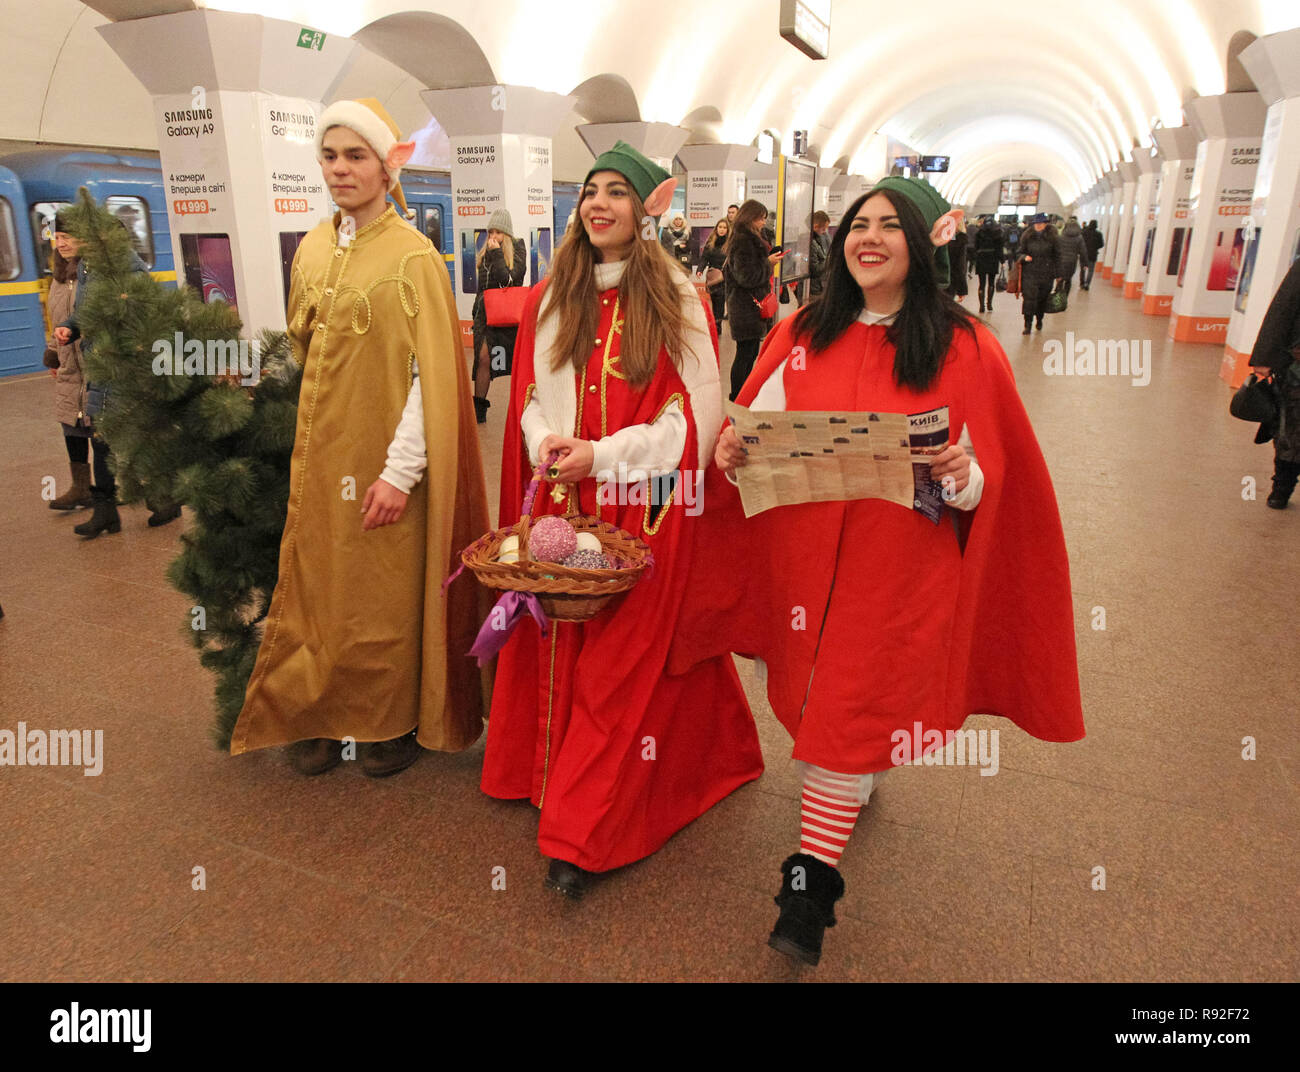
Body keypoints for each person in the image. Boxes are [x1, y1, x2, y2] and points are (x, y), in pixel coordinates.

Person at [667, 177, 1084, 967]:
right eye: (860, 224)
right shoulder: (800, 332)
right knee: (828, 705)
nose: (871, 238)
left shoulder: (966, 347)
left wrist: (962, 472)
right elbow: (746, 438)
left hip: (897, 572)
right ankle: (854, 776)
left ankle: (807, 888)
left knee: (847, 708)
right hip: (803, 565)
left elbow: (988, 487)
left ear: (921, 246)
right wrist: (729, 452)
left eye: (892, 227)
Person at [481, 140, 763, 899]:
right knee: (566, 639)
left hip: (648, 509)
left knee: (620, 660)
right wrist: (549, 446)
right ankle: (569, 771)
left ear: (645, 208)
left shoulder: (676, 297)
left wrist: (603, 457)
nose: (599, 204)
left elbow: (693, 420)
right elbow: (533, 398)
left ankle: (583, 833)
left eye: (616, 192)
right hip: (566, 497)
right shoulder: (553, 295)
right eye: (589, 192)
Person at [231, 97, 491, 777]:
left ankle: (385, 722)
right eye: (330, 155)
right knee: (321, 586)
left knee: (381, 593)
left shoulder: (414, 259)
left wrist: (401, 471)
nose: (340, 169)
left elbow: (427, 379)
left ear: (386, 167)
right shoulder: (314, 247)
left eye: (356, 156)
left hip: (383, 459)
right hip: (320, 458)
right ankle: (317, 710)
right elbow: (303, 347)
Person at [52, 216, 160, 537]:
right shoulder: (89, 269)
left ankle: (163, 497)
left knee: (133, 438)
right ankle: (107, 511)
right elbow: (87, 310)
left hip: (123, 365)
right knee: (102, 441)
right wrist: (70, 328)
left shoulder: (130, 269)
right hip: (99, 363)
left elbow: (144, 315)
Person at [44, 229, 93, 511]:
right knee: (70, 424)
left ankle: (114, 488)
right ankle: (81, 487)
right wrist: (53, 355)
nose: (60, 243)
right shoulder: (59, 278)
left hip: (92, 362)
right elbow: (58, 319)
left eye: (68, 236)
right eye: (57, 236)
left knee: (100, 429)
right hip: (69, 363)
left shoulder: (92, 274)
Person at [1248, 257, 1300, 509]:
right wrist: (1264, 358)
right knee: (1291, 430)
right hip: (1297, 368)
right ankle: (1282, 486)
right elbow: (1282, 310)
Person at [470, 209, 527, 423]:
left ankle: (522, 407)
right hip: (486, 317)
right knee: (483, 359)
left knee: (515, 363)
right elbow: (482, 288)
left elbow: (509, 281)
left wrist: (496, 255)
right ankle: (479, 408)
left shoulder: (518, 250)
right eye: (491, 232)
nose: (493, 237)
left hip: (510, 318)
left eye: (499, 232)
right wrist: (476, 312)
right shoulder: (485, 253)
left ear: (508, 234)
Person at [724, 199, 784, 400]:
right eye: (761, 219)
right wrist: (768, 263)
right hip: (745, 306)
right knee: (744, 354)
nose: (763, 223)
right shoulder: (742, 240)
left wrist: (768, 258)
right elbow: (746, 276)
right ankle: (737, 396)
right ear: (751, 217)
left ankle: (744, 394)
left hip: (751, 306)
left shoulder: (751, 237)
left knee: (750, 353)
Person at [1017, 213, 1059, 334]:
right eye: (1036, 223)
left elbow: (1058, 255)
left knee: (1042, 299)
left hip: (1046, 273)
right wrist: (1024, 257)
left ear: (1046, 224)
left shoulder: (1053, 238)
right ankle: (1027, 324)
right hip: (1030, 272)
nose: (1038, 226)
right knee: (1029, 299)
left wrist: (1058, 274)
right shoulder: (1027, 236)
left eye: (1040, 223)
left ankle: (1039, 319)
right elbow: (1019, 252)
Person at [699, 217, 730, 325]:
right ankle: (716, 322)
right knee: (714, 300)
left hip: (725, 277)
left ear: (728, 230)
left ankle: (718, 324)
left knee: (720, 301)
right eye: (720, 227)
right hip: (713, 277)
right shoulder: (710, 243)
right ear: (716, 228)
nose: (722, 229)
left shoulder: (730, 244)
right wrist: (700, 270)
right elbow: (704, 258)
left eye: (724, 227)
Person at [972, 214, 1004, 314]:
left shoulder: (979, 233)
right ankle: (989, 304)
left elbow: (975, 247)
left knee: (981, 283)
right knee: (991, 282)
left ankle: (981, 306)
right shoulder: (998, 233)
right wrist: (1002, 260)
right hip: (993, 258)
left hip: (981, 258)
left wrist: (975, 258)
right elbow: (1000, 249)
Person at [1056, 216, 1088, 298]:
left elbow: (1056, 249)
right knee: (1068, 280)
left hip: (1061, 260)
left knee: (1060, 279)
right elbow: (1083, 251)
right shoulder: (1079, 238)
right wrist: (1085, 263)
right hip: (1072, 261)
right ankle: (1065, 298)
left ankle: (1058, 297)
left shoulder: (1062, 236)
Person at [945, 216, 969, 303]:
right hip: (952, 279)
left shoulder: (940, 238)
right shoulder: (960, 240)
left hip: (937, 278)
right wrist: (962, 290)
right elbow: (960, 265)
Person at [808, 210, 831, 299]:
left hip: (820, 286)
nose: (825, 232)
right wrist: (830, 259)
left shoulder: (818, 239)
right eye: (823, 229)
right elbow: (815, 269)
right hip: (813, 290)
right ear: (815, 227)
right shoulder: (810, 242)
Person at [1080, 220, 1104, 290]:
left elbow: (1080, 242)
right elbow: (1101, 244)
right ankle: (1087, 284)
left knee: (1083, 269)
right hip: (1093, 254)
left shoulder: (1084, 232)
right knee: (1090, 270)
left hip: (1084, 254)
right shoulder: (1099, 234)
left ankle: (1082, 283)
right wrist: (1095, 247)